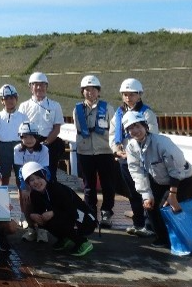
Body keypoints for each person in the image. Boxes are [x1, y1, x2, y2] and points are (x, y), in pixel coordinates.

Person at [123, 111, 192, 249]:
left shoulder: (162, 143)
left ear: (145, 126)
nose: (135, 131)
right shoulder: (131, 147)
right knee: (151, 206)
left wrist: (172, 194)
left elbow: (176, 169)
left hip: (181, 179)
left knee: (171, 208)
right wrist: (146, 195)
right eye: (131, 128)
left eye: (138, 126)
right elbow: (137, 172)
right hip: (159, 179)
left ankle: (187, 238)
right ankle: (163, 238)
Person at [109, 78, 159, 238]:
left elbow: (153, 135)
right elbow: (112, 134)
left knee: (147, 190)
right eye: (125, 94)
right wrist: (116, 150)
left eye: (132, 94)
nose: (128, 97)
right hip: (125, 158)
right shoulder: (118, 113)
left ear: (139, 95)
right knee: (132, 192)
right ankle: (138, 224)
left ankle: (150, 225)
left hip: (144, 159)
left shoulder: (146, 113)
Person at [23, 161, 97, 257]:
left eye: (38, 177)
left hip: (85, 220)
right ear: (28, 183)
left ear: (45, 176)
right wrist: (33, 215)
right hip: (69, 217)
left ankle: (82, 242)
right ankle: (65, 238)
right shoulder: (35, 194)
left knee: (54, 220)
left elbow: (71, 210)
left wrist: (53, 213)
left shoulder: (56, 188)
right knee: (44, 220)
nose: (36, 182)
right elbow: (39, 210)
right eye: (31, 180)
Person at [73, 75, 117, 229]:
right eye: (86, 89)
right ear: (82, 91)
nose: (89, 92)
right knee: (88, 186)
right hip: (85, 151)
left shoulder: (108, 108)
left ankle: (106, 212)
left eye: (93, 89)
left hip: (104, 150)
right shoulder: (77, 109)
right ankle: (90, 214)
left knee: (107, 184)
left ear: (98, 91)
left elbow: (114, 130)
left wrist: (116, 148)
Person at [18, 72, 65, 182]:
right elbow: (21, 129)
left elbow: (57, 128)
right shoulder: (24, 106)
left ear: (46, 86)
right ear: (30, 87)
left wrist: (46, 143)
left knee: (50, 174)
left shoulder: (55, 105)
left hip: (49, 142)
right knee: (30, 174)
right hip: (30, 142)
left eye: (42, 84)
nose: (39, 87)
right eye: (35, 84)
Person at [14, 122, 50, 243]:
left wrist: (39, 185)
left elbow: (45, 171)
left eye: (31, 136)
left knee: (42, 201)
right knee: (26, 201)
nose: (29, 140)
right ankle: (31, 228)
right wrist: (24, 187)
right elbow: (19, 170)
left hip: (41, 181)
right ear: (21, 138)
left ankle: (42, 229)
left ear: (37, 137)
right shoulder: (17, 149)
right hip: (26, 181)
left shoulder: (44, 149)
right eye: (25, 137)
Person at [0, 84, 27, 185]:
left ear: (16, 98)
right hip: (3, 148)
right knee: (3, 178)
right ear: (2, 100)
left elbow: (27, 136)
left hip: (20, 147)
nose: (10, 101)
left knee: (21, 178)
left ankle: (24, 200)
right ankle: (3, 200)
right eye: (6, 98)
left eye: (12, 97)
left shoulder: (23, 117)